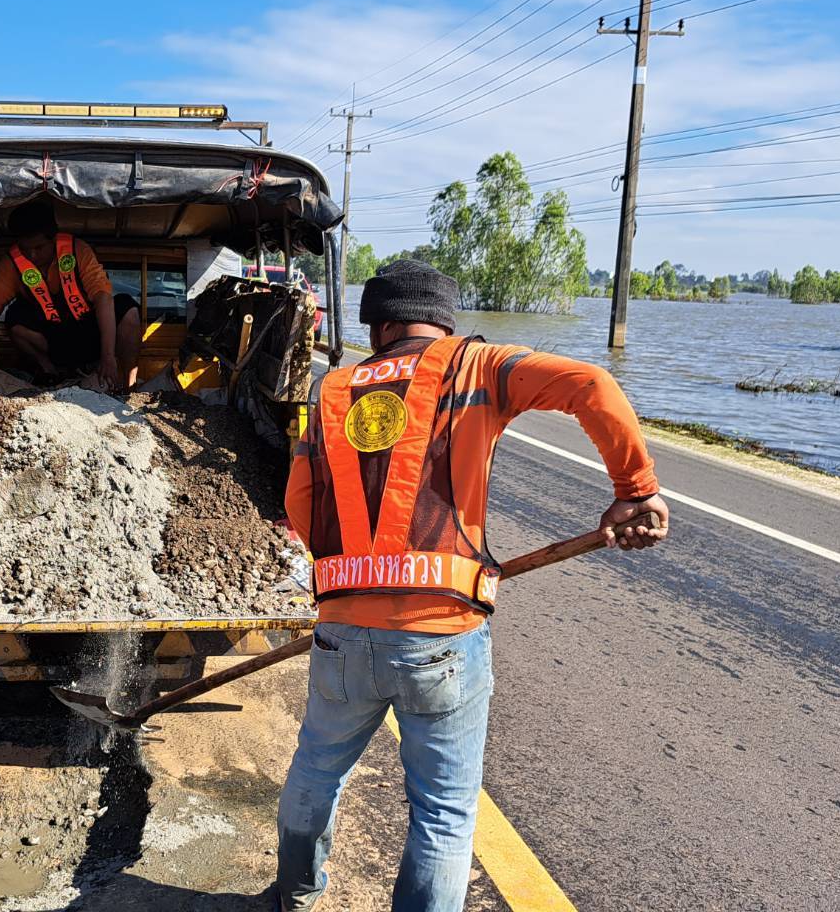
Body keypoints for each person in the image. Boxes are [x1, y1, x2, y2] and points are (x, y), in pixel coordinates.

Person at [276, 259, 671, 912]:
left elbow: (298, 504)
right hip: (442, 635)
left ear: (378, 326)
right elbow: (591, 384)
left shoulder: (333, 388)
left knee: (316, 772)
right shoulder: (476, 366)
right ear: (443, 320)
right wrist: (635, 489)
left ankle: (293, 898)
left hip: (341, 629)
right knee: (443, 810)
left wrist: (356, 582)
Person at [0, 198, 141, 389]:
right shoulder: (12, 263)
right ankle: (53, 375)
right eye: (25, 249)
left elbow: (103, 297)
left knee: (127, 307)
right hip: (54, 340)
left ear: (53, 239)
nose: (32, 255)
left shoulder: (78, 251)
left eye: (39, 248)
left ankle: (129, 385)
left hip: (90, 332)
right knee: (15, 316)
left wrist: (108, 356)